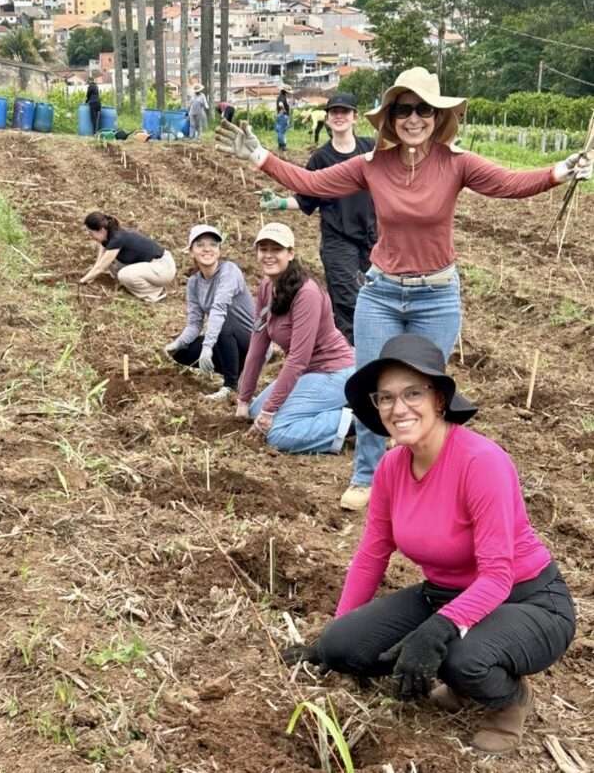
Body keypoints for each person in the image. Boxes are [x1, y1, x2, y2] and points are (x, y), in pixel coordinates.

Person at [214, 65, 593, 512]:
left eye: (423, 110)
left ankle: (433, 477)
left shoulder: (457, 164)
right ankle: (368, 475)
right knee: (375, 385)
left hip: (437, 295)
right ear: (390, 119)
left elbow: (509, 184)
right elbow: (313, 185)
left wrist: (561, 170)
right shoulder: (373, 166)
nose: (413, 119)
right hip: (382, 292)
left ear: (437, 116)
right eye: (403, 110)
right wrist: (261, 157)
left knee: (432, 390)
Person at [283, 334, 575, 755]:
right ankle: (457, 670)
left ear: (439, 399)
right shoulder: (390, 467)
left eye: (412, 393)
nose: (398, 408)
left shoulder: (482, 462)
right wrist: (333, 632)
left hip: (525, 599)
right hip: (444, 595)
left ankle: (508, 701)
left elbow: (497, 576)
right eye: (386, 398)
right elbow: (371, 554)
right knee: (343, 648)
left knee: (461, 658)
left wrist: (436, 632)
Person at [260, 93, 376, 347]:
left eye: (344, 112)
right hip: (338, 240)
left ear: (355, 117)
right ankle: (351, 358)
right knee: (348, 301)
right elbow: (305, 199)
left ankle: (374, 352)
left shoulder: (371, 150)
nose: (339, 116)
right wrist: (279, 202)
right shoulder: (321, 159)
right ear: (327, 118)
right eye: (333, 112)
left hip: (373, 238)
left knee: (376, 298)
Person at [236, 222, 355, 454]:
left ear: (290, 253)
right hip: (307, 374)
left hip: (332, 371)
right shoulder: (266, 287)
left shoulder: (307, 293)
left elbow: (298, 359)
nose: (268, 255)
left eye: (276, 250)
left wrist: (270, 411)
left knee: (276, 433)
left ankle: (357, 422)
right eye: (263, 249)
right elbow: (257, 346)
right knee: (254, 412)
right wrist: (244, 398)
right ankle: (321, 410)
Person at [164, 224, 254, 401]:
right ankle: (238, 369)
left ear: (219, 251)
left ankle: (230, 385)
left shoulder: (229, 271)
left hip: (251, 340)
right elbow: (195, 323)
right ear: (191, 251)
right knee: (183, 351)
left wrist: (207, 348)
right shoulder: (194, 283)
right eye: (200, 244)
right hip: (226, 339)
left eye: (213, 244)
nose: (207, 249)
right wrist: (177, 343)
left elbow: (219, 310)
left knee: (222, 321)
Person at [80, 212, 176, 302]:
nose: (90, 236)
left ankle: (155, 293)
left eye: (91, 233)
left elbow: (100, 268)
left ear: (101, 230)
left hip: (163, 267)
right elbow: (100, 261)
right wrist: (91, 276)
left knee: (124, 275)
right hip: (152, 267)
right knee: (110, 262)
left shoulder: (117, 239)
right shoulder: (108, 236)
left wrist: (82, 280)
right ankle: (140, 284)